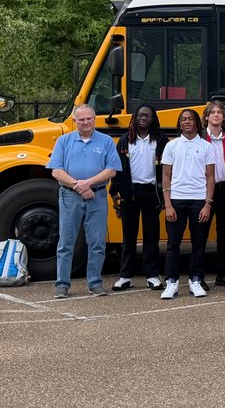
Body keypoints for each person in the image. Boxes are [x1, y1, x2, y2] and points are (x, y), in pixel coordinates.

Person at [48, 104, 120, 299]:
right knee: (66, 242)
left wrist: (88, 184)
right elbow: (56, 170)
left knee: (97, 242)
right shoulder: (63, 141)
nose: (85, 122)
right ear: (74, 121)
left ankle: (95, 283)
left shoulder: (105, 141)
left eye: (89, 118)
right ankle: (62, 285)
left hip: (97, 196)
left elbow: (111, 170)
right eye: (81, 119)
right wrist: (77, 186)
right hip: (69, 196)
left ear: (94, 118)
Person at [110, 104, 169, 292]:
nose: (144, 118)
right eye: (140, 115)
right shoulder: (125, 140)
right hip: (130, 192)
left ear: (154, 119)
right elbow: (117, 169)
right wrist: (115, 192)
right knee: (128, 236)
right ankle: (125, 276)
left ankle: (152, 275)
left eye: (148, 115)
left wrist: (163, 193)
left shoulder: (161, 140)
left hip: (151, 192)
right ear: (134, 118)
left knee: (151, 236)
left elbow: (167, 169)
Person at [160, 109, 216, 299]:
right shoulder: (171, 145)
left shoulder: (207, 147)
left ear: (197, 123)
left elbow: (210, 177)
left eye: (190, 119)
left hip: (199, 200)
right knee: (173, 244)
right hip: (176, 200)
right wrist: (168, 204)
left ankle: (196, 280)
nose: (187, 122)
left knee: (199, 244)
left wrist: (208, 204)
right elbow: (165, 177)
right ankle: (172, 282)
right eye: (183, 119)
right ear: (179, 123)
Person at [200, 100, 225, 289]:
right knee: (201, 233)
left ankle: (222, 275)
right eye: (212, 112)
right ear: (206, 116)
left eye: (219, 112)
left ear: (224, 117)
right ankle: (198, 276)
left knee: (223, 234)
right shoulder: (198, 139)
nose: (216, 115)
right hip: (204, 191)